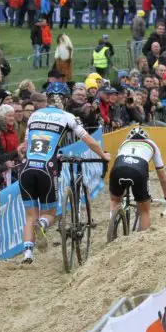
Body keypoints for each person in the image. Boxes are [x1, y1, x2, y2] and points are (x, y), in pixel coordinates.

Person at [18, 82, 110, 264]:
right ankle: (42, 225)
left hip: (26, 169)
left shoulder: (34, 115)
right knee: (50, 214)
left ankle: (28, 254)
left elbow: (25, 145)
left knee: (30, 215)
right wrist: (103, 155)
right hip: (46, 169)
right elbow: (89, 141)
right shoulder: (67, 116)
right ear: (66, 100)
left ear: (48, 98)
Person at [108, 127, 166, 233]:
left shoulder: (124, 143)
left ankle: (111, 227)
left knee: (115, 200)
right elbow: (162, 177)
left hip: (118, 169)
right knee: (144, 211)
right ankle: (141, 238)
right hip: (138, 171)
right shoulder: (152, 144)